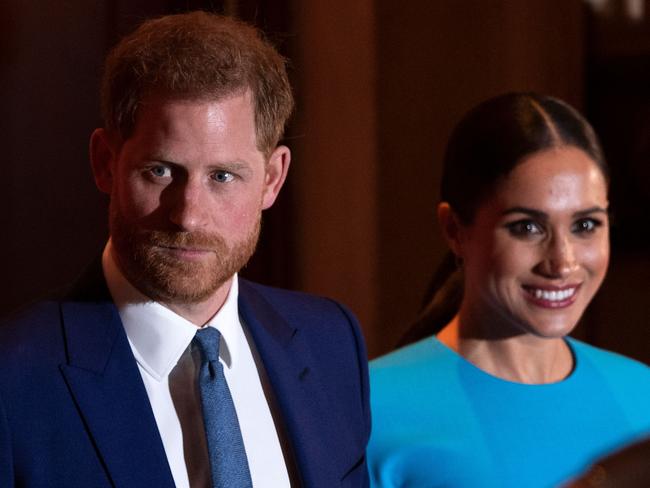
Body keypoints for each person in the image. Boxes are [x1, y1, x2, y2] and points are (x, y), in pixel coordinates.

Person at [0, 12, 370, 488]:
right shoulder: (15, 379)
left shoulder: (331, 343)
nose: (188, 216)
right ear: (105, 163)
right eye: (160, 171)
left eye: (222, 177)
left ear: (272, 179)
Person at [367, 92, 650, 487]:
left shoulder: (642, 396)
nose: (563, 262)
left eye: (585, 225)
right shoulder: (369, 410)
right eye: (527, 227)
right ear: (455, 230)